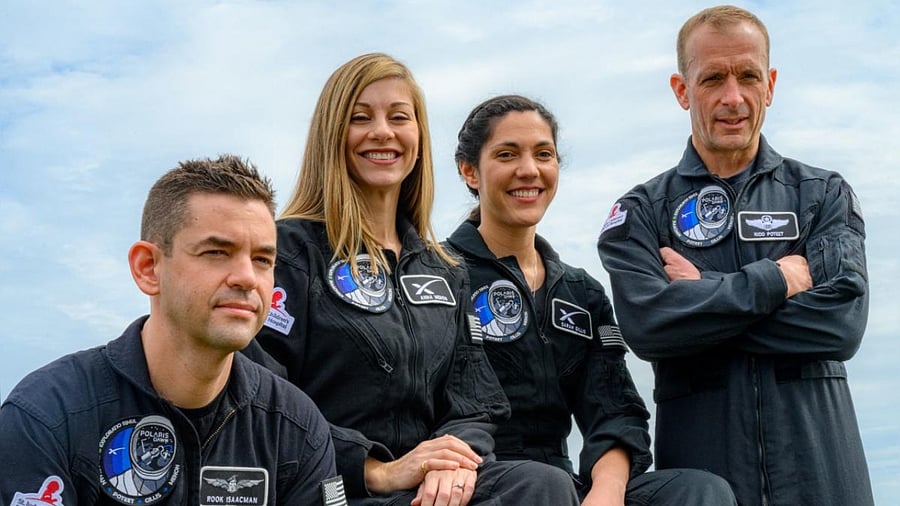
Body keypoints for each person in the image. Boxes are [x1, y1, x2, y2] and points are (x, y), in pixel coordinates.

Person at [244, 53, 579, 506]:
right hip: (333, 487)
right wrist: (375, 469)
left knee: (542, 484)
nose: (382, 131)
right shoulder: (287, 251)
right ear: (331, 136)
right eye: (360, 118)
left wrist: (452, 462)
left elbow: (475, 405)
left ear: (418, 137)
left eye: (399, 117)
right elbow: (262, 394)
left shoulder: (445, 270)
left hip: (428, 489)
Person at [596, 6, 873, 506]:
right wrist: (773, 280)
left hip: (825, 477)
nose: (733, 97)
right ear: (682, 90)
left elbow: (842, 325)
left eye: (747, 76)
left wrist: (702, 292)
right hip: (705, 482)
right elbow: (648, 326)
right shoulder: (642, 213)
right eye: (712, 79)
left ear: (769, 84)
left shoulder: (822, 195)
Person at [0, 155, 341, 505]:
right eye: (216, 252)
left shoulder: (296, 428)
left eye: (262, 260)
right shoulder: (47, 416)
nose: (247, 278)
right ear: (148, 268)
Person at [447, 94, 736, 506]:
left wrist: (607, 491)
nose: (529, 170)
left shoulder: (581, 293)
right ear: (470, 171)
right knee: (542, 484)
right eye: (507, 154)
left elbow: (614, 411)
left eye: (543, 154)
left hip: (563, 486)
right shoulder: (438, 275)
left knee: (699, 490)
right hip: (476, 483)